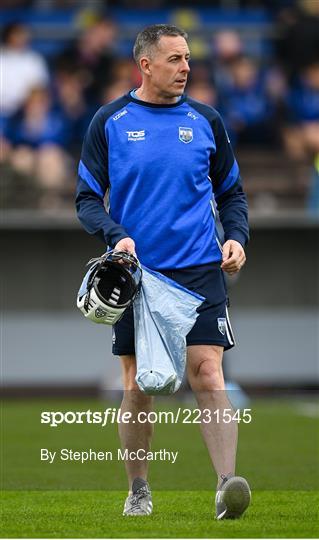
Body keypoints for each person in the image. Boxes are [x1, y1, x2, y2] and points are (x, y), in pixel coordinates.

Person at [76, 24, 251, 520]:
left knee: (208, 371)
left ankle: (225, 485)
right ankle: (138, 488)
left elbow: (231, 193)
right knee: (138, 384)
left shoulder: (206, 120)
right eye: (175, 59)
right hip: (138, 275)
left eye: (189, 58)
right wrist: (116, 235)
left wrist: (236, 237)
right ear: (146, 65)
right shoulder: (109, 121)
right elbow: (87, 200)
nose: (186, 68)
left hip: (200, 268)